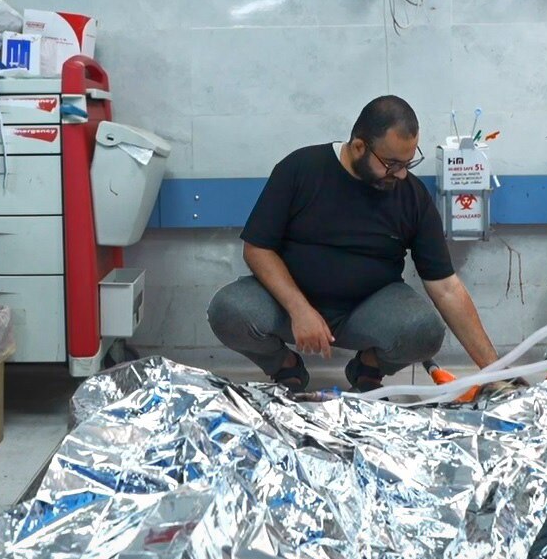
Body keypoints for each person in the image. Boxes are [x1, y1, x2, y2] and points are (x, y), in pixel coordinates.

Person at [207, 96, 499, 392]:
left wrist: (495, 372)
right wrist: (300, 309)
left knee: (425, 332)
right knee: (229, 310)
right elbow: (257, 249)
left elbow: (446, 287)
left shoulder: (411, 196)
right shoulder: (300, 169)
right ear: (359, 146)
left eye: (408, 163)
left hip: (366, 311)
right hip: (288, 305)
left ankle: (368, 366)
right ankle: (284, 365)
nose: (400, 174)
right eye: (392, 163)